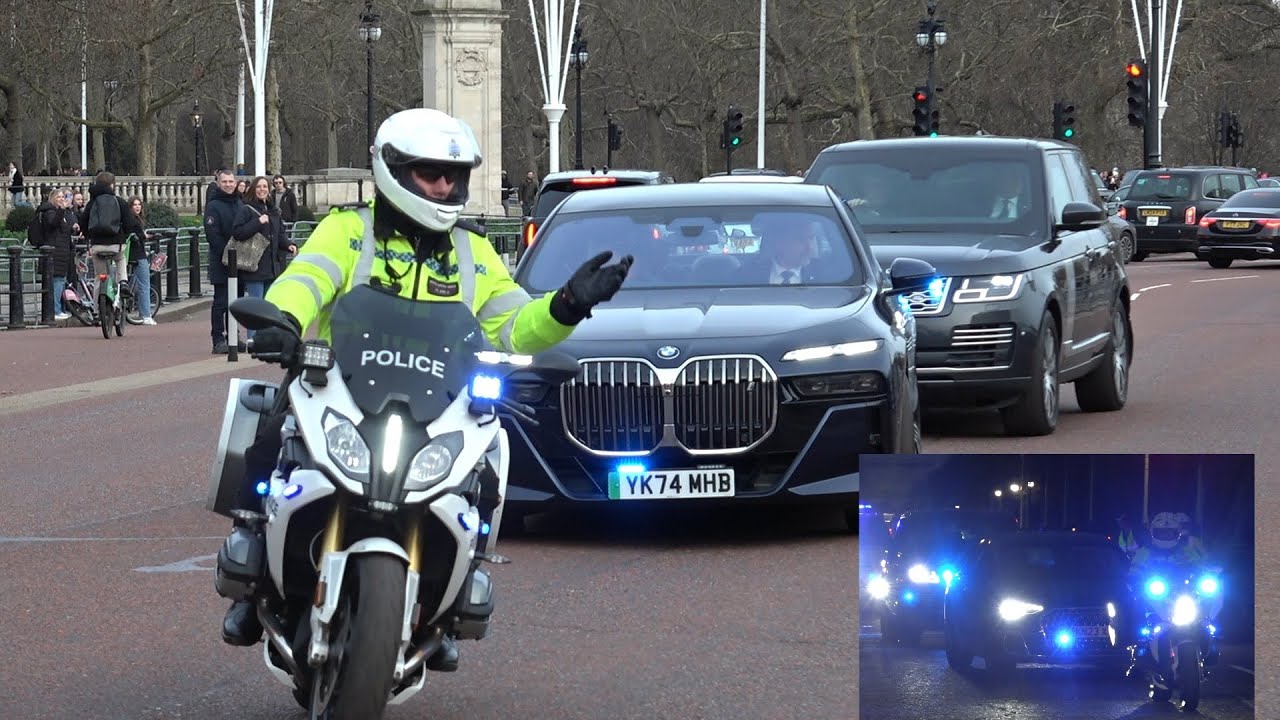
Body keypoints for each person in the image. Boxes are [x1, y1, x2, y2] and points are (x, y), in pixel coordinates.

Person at [216, 108, 634, 668]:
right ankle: (253, 573)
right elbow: (304, 281)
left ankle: (455, 593)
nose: (444, 186)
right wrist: (281, 323)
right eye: (430, 173)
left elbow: (511, 326)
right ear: (393, 170)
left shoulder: (474, 252)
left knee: (488, 465)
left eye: (453, 176)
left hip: (437, 405)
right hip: (344, 387)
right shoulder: (349, 230)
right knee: (273, 434)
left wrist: (565, 306)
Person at [79, 171, 146, 300]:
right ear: (112, 185)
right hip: (116, 244)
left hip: (97, 245)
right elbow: (129, 223)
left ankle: (97, 310)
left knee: (99, 277)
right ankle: (123, 283)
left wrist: (89, 236)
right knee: (120, 260)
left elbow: (83, 222)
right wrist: (124, 235)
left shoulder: (92, 203)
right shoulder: (119, 202)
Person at [1130, 511, 1207, 575]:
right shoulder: (1144, 551)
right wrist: (1135, 578)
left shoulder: (1186, 550)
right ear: (1152, 532)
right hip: (1152, 589)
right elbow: (1134, 570)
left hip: (1182, 587)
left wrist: (1209, 570)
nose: (1165, 536)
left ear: (1178, 533)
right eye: (1161, 533)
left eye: (1169, 533)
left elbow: (1200, 565)